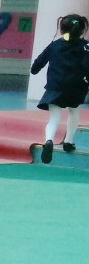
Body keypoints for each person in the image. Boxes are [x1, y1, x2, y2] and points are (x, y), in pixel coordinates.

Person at [30, 13, 89, 163]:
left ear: (61, 30)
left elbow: (38, 63)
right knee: (74, 113)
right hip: (76, 87)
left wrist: (34, 70)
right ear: (82, 30)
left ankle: (49, 140)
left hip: (55, 86)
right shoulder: (86, 46)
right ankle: (68, 142)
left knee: (54, 118)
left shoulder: (55, 45)